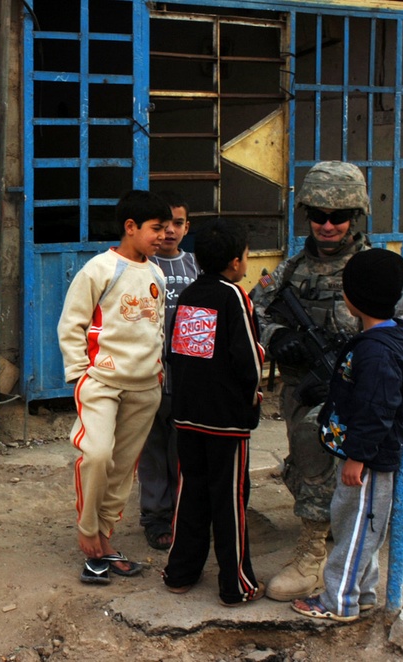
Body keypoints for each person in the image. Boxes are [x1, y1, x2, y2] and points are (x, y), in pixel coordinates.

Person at [251, 160, 403, 601]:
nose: (327, 226)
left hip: (368, 388)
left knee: (393, 471)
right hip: (308, 391)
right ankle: (312, 551)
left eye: (339, 217)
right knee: (312, 454)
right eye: (318, 216)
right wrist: (279, 337)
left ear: (357, 216)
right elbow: (254, 313)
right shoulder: (290, 272)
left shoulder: (380, 270)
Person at [291, 248, 403, 622]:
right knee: (364, 529)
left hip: (368, 461)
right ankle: (363, 592)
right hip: (365, 456)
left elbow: (378, 409)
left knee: (354, 530)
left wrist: (357, 455)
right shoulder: (383, 339)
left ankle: (337, 601)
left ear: (352, 297)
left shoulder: (377, 352)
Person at [58, 189, 170, 584]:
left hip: (145, 388)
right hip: (102, 383)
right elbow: (71, 325)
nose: (164, 235)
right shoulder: (100, 269)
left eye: (169, 227)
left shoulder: (156, 273)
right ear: (130, 227)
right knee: (97, 455)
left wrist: (157, 374)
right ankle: (88, 531)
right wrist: (79, 375)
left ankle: (104, 541)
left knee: (123, 468)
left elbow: (154, 328)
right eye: (156, 228)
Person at [162, 218, 266, 606]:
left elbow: (180, 353)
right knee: (230, 501)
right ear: (237, 262)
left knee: (191, 495)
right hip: (226, 421)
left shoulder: (190, 293)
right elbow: (249, 361)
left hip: (188, 416)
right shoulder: (234, 296)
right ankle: (236, 585)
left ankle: (180, 573)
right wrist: (253, 395)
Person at [139, 190, 200, 550]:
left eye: (178, 223)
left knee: (183, 448)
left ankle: (183, 512)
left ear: (186, 226)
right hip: (148, 375)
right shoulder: (141, 266)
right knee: (152, 449)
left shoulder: (195, 265)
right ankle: (155, 516)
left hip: (188, 379)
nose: (170, 231)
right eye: (163, 225)